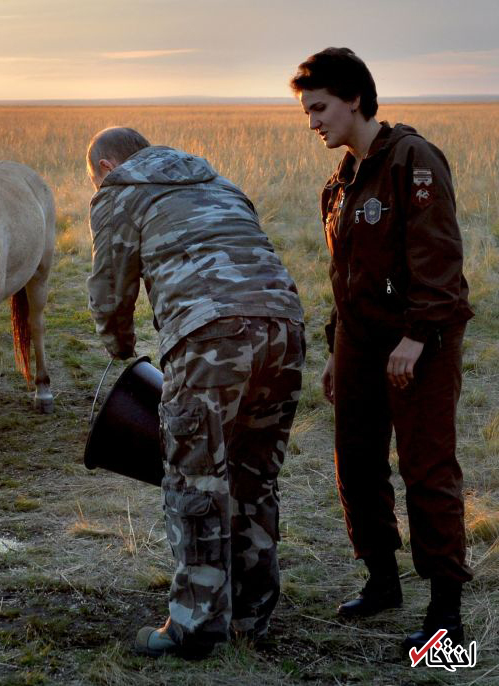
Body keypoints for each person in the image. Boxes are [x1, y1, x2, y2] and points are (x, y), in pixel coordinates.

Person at [86, 127, 305, 657]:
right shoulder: (219, 181)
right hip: (285, 329)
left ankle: (195, 626)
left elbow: (110, 289)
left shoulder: (120, 191)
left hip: (211, 338)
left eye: (94, 178)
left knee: (195, 480)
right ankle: (251, 617)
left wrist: (120, 345)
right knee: (254, 477)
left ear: (108, 166)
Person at [290, 47, 474, 653]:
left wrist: (416, 337)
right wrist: (334, 350)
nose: (312, 122)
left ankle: (446, 612)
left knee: (426, 469)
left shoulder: (413, 161)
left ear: (355, 99)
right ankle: (382, 579)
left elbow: (440, 260)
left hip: (419, 344)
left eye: (319, 108)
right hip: (360, 344)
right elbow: (346, 278)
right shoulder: (339, 182)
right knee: (356, 461)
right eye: (307, 111)